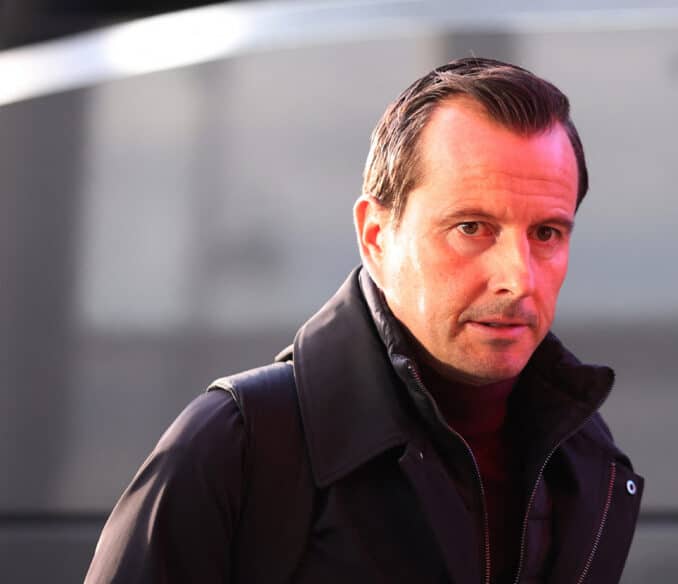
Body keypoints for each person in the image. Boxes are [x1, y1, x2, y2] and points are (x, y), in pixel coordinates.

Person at [85, 57, 643, 584]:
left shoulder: (584, 460)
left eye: (546, 233)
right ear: (376, 237)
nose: (517, 279)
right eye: (472, 228)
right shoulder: (236, 447)